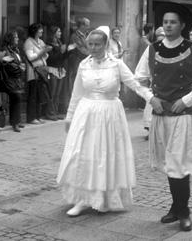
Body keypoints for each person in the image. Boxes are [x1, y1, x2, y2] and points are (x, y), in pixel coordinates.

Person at [135, 2, 192, 231]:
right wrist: (151, 98)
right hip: (161, 115)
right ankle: (175, 206)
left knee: (179, 164)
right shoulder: (153, 48)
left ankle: (184, 211)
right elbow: (138, 79)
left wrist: (187, 100)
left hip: (184, 116)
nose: (168, 25)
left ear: (182, 25)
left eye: (173, 22)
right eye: (165, 22)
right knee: (170, 164)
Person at [57, 26, 151, 216]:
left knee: (105, 155)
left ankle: (105, 197)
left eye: (97, 44)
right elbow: (76, 93)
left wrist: (152, 99)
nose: (93, 48)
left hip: (109, 114)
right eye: (90, 44)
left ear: (105, 45)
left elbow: (134, 83)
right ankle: (82, 199)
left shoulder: (116, 64)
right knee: (83, 154)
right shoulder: (84, 64)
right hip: (86, 114)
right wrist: (69, 116)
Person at [24, 23, 53, 124]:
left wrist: (45, 52)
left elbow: (45, 56)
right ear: (34, 31)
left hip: (42, 70)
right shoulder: (29, 42)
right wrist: (43, 51)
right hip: (34, 71)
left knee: (40, 94)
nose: (42, 31)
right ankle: (31, 118)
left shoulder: (40, 41)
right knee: (33, 95)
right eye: (40, 30)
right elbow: (31, 57)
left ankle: (38, 116)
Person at [0, 31, 25, 132]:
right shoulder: (5, 50)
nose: (17, 39)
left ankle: (16, 121)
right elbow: (8, 64)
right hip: (8, 79)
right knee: (16, 97)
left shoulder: (15, 49)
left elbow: (16, 62)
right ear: (10, 39)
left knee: (16, 98)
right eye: (16, 37)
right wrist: (20, 68)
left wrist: (20, 67)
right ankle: (15, 123)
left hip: (15, 79)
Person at [46, 26, 68, 116]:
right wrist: (61, 52)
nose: (60, 33)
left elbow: (62, 58)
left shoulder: (60, 43)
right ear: (54, 33)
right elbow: (51, 59)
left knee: (58, 93)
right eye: (59, 31)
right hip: (52, 69)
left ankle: (55, 111)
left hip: (60, 69)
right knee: (52, 92)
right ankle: (50, 113)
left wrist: (66, 51)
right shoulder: (49, 44)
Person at [68, 17, 90, 95]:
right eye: (87, 25)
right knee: (77, 83)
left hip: (86, 62)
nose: (89, 27)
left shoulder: (87, 35)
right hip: (77, 62)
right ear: (82, 26)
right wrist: (92, 54)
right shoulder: (75, 36)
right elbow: (81, 50)